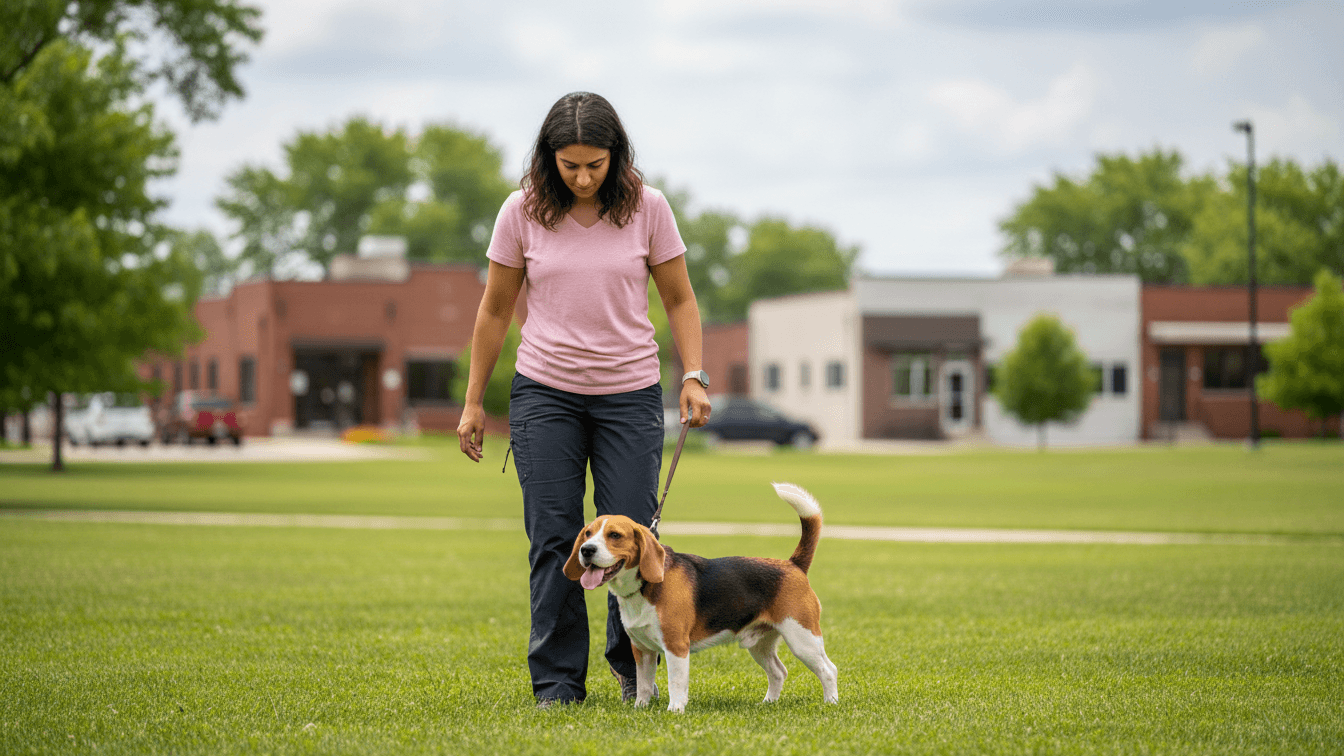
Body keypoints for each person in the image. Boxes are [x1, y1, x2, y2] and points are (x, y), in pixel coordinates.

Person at [457, 92, 712, 708]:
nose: (582, 176)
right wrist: (472, 404)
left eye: (595, 164)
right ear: (549, 159)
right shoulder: (520, 212)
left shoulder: (648, 209)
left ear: (615, 156)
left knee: (632, 540)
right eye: (569, 164)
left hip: (629, 394)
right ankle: (557, 685)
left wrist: (694, 373)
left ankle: (633, 671)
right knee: (554, 539)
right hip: (545, 394)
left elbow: (679, 297)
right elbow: (494, 310)